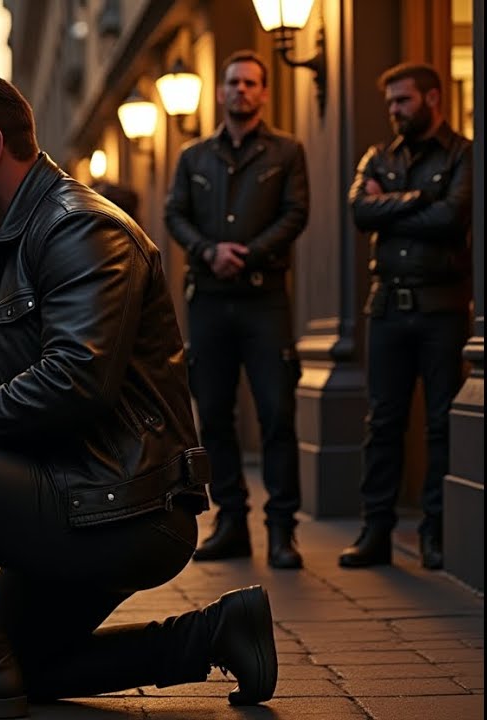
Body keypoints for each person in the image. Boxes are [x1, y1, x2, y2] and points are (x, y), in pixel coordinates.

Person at [0, 70, 277, 718]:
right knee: (22, 667)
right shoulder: (9, 242)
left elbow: (74, 382)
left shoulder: (80, 229)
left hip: (123, 504)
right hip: (76, 486)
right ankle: (216, 634)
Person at [163, 50, 309, 570]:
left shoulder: (287, 152)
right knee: (214, 416)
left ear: (263, 92)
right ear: (221, 90)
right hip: (209, 301)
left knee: (277, 413)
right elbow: (174, 213)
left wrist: (248, 253)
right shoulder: (193, 156)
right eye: (233, 82)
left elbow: (296, 213)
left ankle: (282, 531)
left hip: (265, 299)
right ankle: (230, 523)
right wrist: (209, 252)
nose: (240, 90)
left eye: (250, 83)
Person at [341, 62, 473, 571]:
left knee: (440, 423)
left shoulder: (463, 154)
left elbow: (452, 217)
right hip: (387, 309)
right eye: (391, 102)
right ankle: (375, 531)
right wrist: (420, 199)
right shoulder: (378, 156)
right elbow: (359, 210)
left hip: (442, 307)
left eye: (403, 100)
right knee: (383, 423)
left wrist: (391, 207)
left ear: (432, 98)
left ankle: (434, 532)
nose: (394, 110)